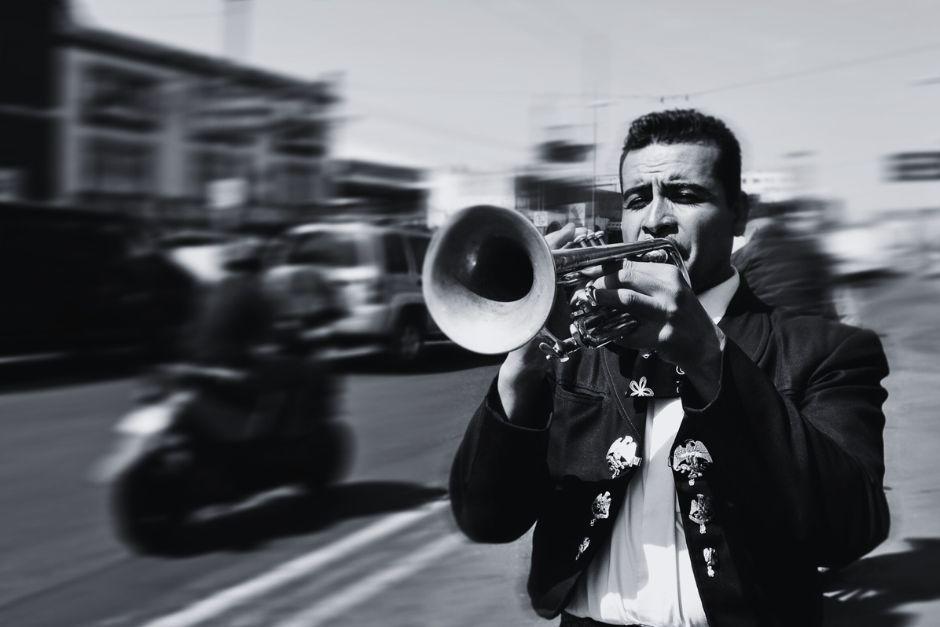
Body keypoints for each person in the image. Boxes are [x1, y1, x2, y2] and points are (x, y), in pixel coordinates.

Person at [449, 109, 890, 626]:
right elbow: (487, 520)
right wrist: (520, 372)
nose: (655, 218)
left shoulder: (829, 351)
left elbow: (849, 530)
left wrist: (712, 356)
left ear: (739, 213)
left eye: (684, 194)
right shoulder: (578, 353)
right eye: (637, 198)